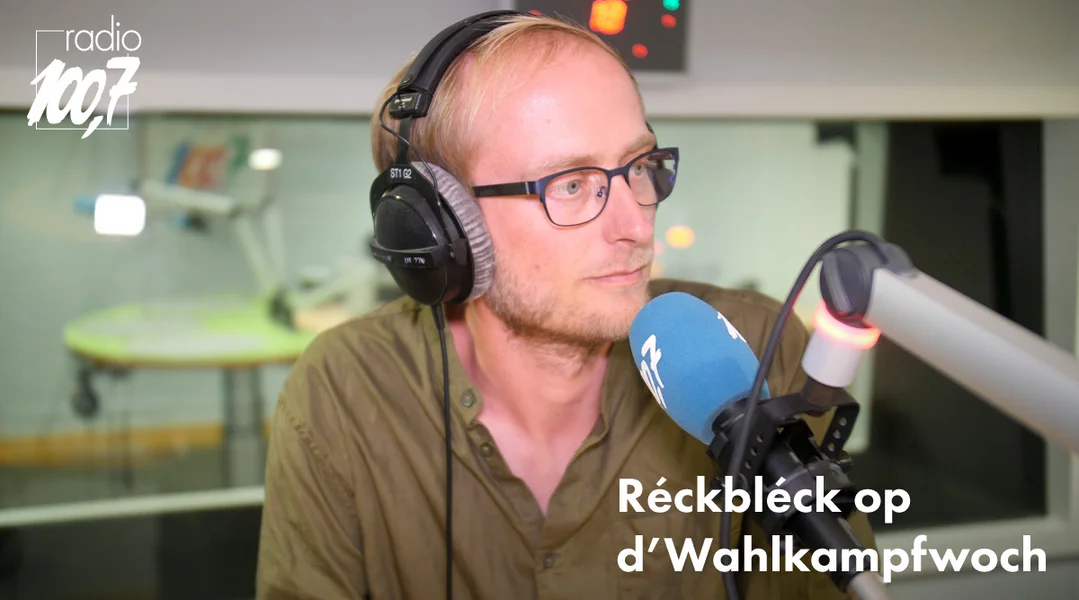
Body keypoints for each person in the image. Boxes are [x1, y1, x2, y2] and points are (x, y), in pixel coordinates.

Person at [256, 11, 877, 600]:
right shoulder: (344, 390)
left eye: (639, 165)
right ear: (445, 227)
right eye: (571, 184)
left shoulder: (750, 347)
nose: (636, 225)